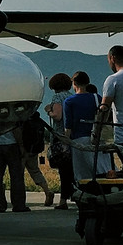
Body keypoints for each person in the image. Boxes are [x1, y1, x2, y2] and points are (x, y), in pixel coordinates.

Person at [64, 71, 112, 182]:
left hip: (78, 141)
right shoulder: (97, 98)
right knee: (101, 169)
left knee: (82, 174)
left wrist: (66, 144)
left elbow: (68, 126)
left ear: (74, 83)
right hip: (98, 139)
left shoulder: (69, 101)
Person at [43, 73, 74, 209]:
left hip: (60, 136)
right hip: (71, 136)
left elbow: (57, 116)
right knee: (71, 169)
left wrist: (48, 111)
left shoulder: (57, 97)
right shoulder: (71, 96)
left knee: (63, 170)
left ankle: (63, 200)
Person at [0, 128, 30, 213]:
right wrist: (22, 145)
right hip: (11, 144)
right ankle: (18, 205)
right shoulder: (9, 115)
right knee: (16, 176)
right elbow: (16, 129)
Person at [19, 111, 54, 206]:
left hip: (23, 150)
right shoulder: (38, 120)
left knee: (18, 174)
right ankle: (47, 191)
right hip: (34, 150)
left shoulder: (22, 118)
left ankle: (19, 199)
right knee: (35, 171)